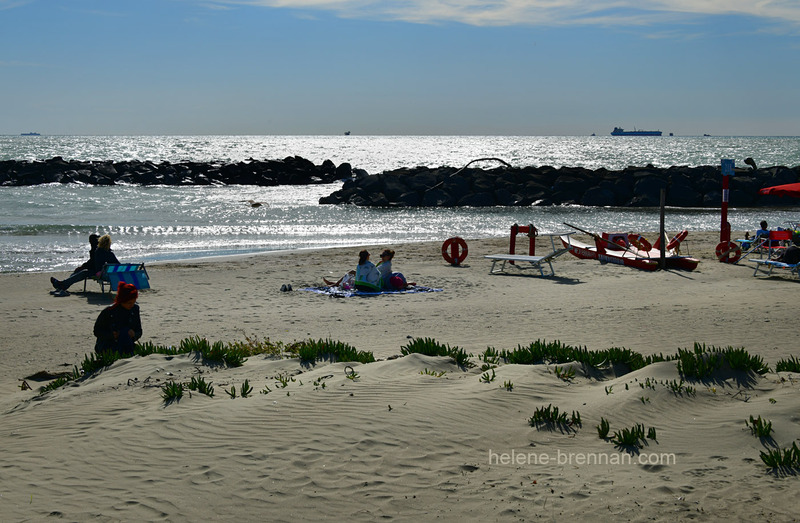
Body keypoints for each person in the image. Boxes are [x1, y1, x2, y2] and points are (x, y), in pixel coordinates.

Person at [50, 234, 120, 293]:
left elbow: (93, 263)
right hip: (109, 274)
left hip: (100, 274)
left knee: (83, 272)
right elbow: (118, 265)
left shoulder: (98, 251)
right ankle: (63, 284)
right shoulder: (109, 253)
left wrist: (83, 267)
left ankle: (63, 285)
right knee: (82, 272)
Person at [94, 281, 142, 357]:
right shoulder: (109, 311)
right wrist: (112, 335)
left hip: (127, 341)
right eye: (129, 303)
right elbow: (97, 331)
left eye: (134, 302)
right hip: (108, 344)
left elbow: (139, 330)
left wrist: (134, 334)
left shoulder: (134, 309)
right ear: (121, 301)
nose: (132, 305)